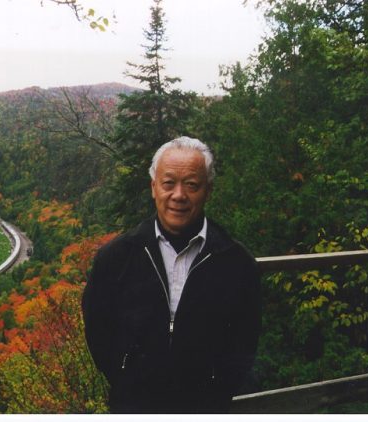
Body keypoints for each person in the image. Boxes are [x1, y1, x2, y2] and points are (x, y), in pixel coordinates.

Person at [82, 136, 261, 414]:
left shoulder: (236, 263)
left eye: (191, 185)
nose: (179, 195)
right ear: (154, 187)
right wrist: (126, 378)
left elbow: (244, 342)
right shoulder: (116, 258)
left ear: (208, 190)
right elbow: (98, 331)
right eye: (168, 183)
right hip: (133, 407)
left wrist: (217, 390)